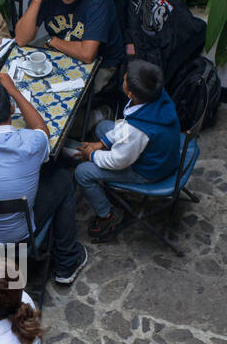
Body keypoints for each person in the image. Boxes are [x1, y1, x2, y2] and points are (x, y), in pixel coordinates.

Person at [0, 74, 88, 286]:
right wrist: (14, 92)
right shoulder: (31, 142)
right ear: (11, 109)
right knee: (63, 178)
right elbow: (41, 130)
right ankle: (66, 262)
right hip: (18, 237)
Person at [71, 59, 182, 238]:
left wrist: (92, 155)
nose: (122, 79)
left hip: (149, 171)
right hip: (165, 155)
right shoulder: (156, 94)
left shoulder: (137, 130)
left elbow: (118, 161)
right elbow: (126, 127)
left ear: (130, 94)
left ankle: (107, 215)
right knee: (102, 128)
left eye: (124, 79)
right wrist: (102, 144)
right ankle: (103, 152)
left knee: (82, 172)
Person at [14, 0, 123, 91]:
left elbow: (87, 54)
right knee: (28, 82)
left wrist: (53, 42)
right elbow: (21, 39)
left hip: (101, 62)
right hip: (62, 49)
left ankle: (101, 110)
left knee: (69, 94)